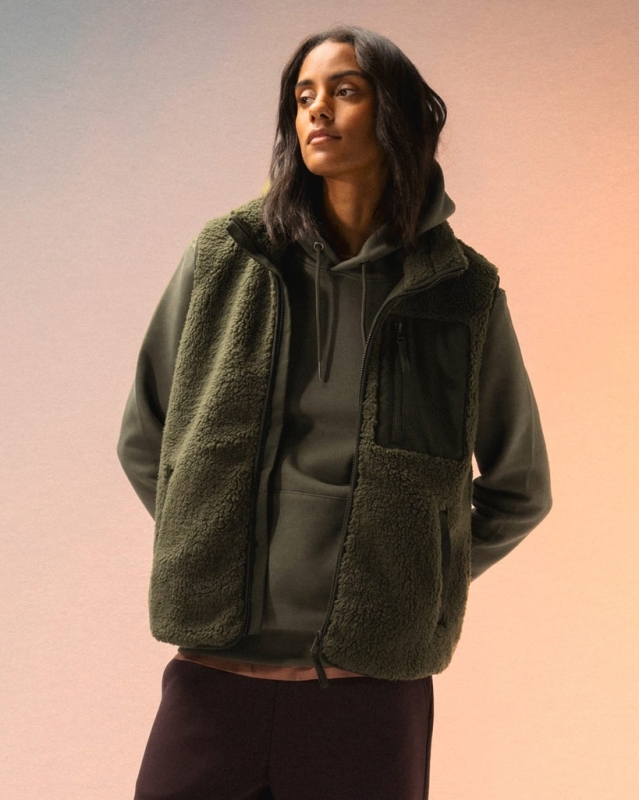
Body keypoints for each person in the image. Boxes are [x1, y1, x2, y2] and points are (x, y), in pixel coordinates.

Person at [117, 24, 552, 800]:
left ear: (397, 115)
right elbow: (145, 434)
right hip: (214, 679)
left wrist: (419, 577)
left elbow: (520, 488)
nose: (316, 110)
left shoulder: (460, 294)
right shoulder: (228, 255)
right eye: (302, 95)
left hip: (366, 694)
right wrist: (212, 538)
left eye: (344, 91)